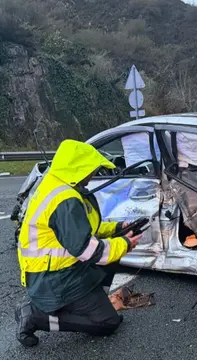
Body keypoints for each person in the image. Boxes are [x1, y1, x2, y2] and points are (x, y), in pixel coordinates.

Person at [14, 139, 143, 347]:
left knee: (111, 250)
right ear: (80, 169)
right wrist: (124, 244)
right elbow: (87, 249)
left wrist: (118, 229)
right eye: (92, 170)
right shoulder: (65, 199)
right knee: (107, 322)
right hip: (54, 278)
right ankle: (35, 316)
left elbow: (84, 230)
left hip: (59, 270)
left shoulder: (60, 186)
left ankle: (90, 304)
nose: (93, 175)